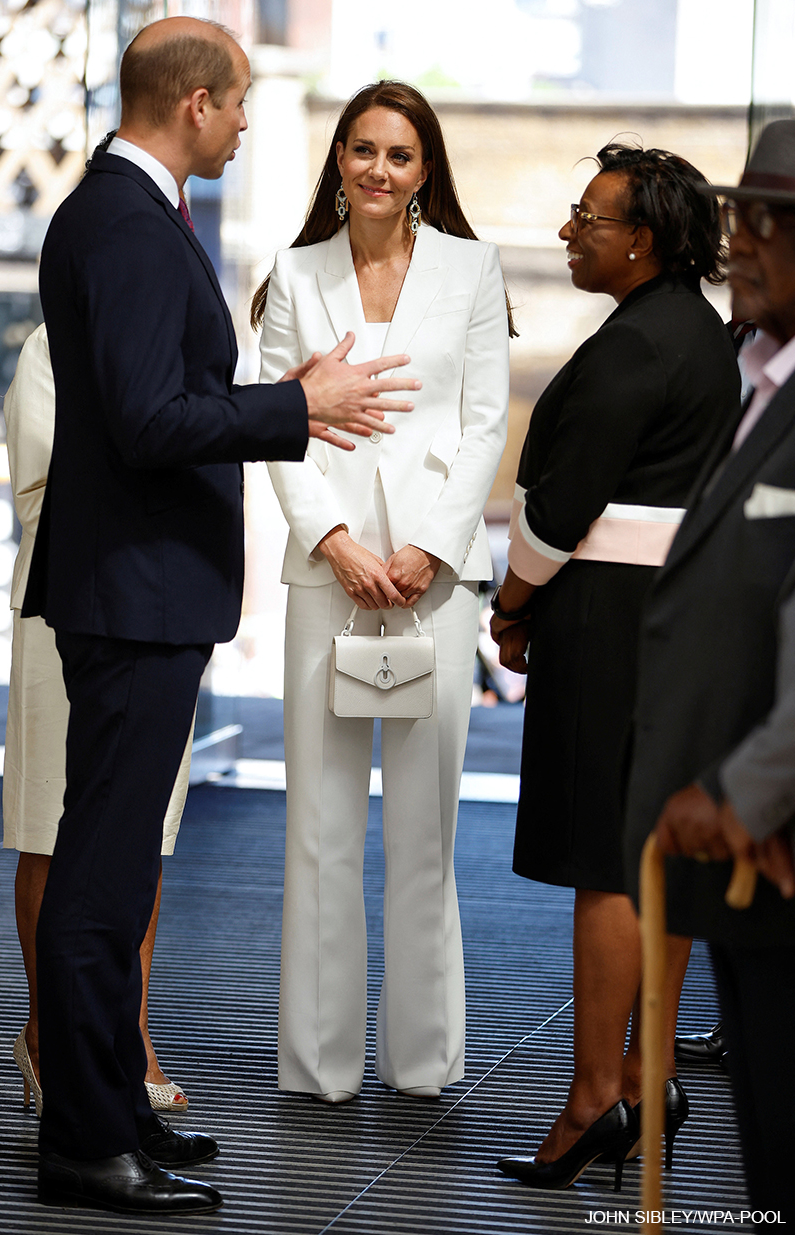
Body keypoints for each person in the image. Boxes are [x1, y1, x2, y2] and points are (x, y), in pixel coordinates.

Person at [23, 17, 419, 1216]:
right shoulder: (131, 227)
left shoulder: (126, 213)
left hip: (136, 590)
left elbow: (158, 399)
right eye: (239, 101)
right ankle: (88, 1137)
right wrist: (295, 405)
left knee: (117, 871)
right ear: (192, 103)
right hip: (134, 594)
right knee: (102, 879)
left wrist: (279, 403)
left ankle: (114, 1107)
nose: (251, 121)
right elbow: (152, 420)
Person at [253, 80, 511, 1104]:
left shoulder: (473, 267)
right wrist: (337, 539)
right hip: (329, 576)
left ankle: (422, 1060)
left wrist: (432, 549)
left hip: (433, 585)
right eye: (361, 149)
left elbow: (484, 421)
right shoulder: (293, 270)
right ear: (339, 161)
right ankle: (317, 1066)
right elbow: (277, 422)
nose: (376, 169)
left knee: (423, 831)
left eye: (398, 155)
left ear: (425, 170)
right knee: (317, 828)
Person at [490, 143, 741, 1189]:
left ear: (640, 239)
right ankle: (641, 1083)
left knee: (608, 861)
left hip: (609, 622)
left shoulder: (638, 343)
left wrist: (511, 604)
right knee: (651, 861)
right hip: (667, 620)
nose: (568, 232)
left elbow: (559, 502)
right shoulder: (698, 332)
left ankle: (597, 1099)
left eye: (588, 220)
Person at [624, 118, 795, 1224]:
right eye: (740, 215)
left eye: (770, 223)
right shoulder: (760, 378)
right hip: (734, 861)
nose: (741, 240)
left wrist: (744, 792)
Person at [4, 322, 192, 1116]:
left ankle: (130, 1032)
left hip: (163, 594)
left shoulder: (185, 339)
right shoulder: (55, 341)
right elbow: (42, 480)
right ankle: (46, 1031)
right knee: (52, 819)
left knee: (143, 827)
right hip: (68, 594)